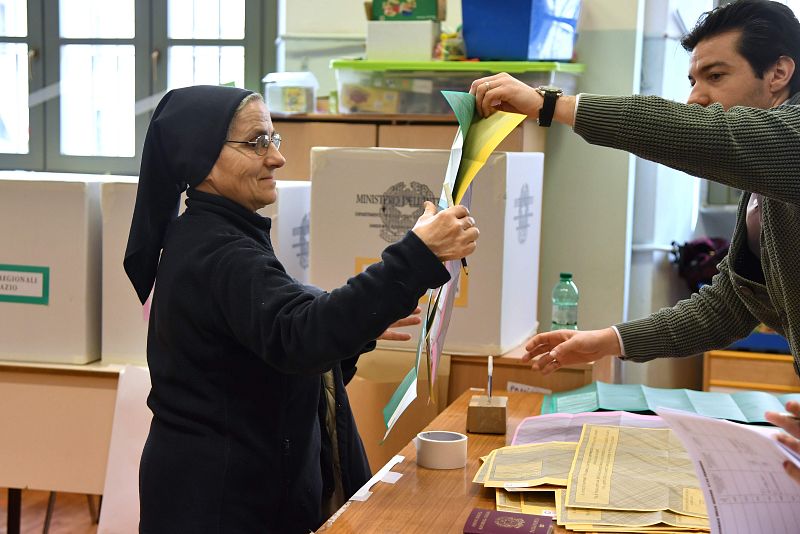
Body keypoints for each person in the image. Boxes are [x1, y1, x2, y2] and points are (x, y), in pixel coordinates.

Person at [470, 0, 800, 483]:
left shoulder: (787, 142)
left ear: (778, 72)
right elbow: (731, 303)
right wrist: (606, 342)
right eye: (692, 80)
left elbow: (706, 137)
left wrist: (552, 105)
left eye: (715, 76)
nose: (696, 97)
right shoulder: (764, 184)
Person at [124, 85, 479, 533]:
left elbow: (277, 344)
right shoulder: (218, 251)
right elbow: (300, 337)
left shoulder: (221, 235)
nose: (276, 157)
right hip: (218, 504)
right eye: (256, 143)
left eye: (273, 139)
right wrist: (416, 255)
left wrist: (359, 321)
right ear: (200, 159)